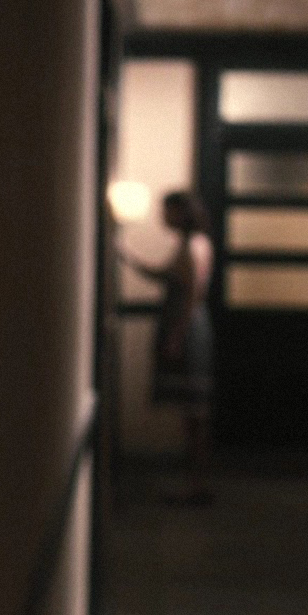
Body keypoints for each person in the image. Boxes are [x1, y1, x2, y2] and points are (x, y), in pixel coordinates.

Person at [120, 190, 215, 504]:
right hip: (187, 325)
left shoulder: (193, 245)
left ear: (181, 212)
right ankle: (195, 482)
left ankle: (197, 484)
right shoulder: (194, 243)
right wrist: (130, 257)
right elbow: (170, 278)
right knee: (193, 410)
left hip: (185, 326)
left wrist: (177, 335)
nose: (163, 217)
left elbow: (190, 294)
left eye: (168, 211)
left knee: (194, 410)